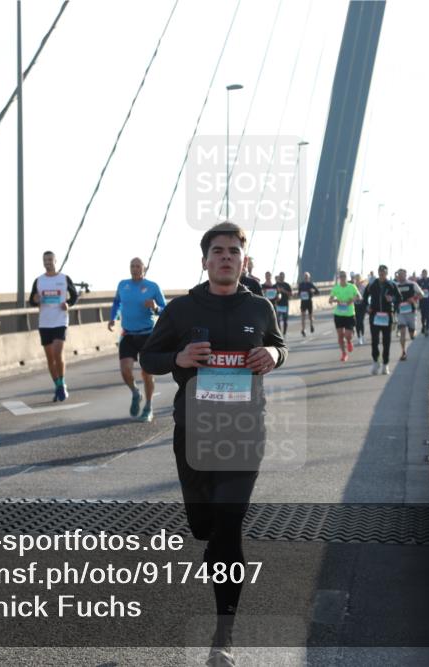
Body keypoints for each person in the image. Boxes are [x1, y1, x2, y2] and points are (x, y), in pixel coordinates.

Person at [140, 222, 286, 667]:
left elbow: (278, 345)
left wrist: (274, 355)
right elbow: (149, 356)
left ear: (244, 260)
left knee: (229, 525)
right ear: (204, 261)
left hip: (245, 432)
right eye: (218, 251)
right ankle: (213, 542)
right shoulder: (182, 309)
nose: (226, 257)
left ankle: (223, 636)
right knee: (205, 527)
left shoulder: (260, 307)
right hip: (194, 432)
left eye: (233, 251)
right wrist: (178, 357)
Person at [108, 257, 167, 422]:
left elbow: (166, 310)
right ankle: (135, 392)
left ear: (144, 268)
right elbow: (117, 303)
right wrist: (113, 318)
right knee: (125, 370)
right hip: (128, 334)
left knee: (147, 373)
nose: (134, 269)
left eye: (138, 266)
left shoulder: (153, 287)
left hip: (147, 334)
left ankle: (148, 407)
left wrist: (155, 307)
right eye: (132, 266)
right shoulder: (123, 285)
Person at [28, 251, 79, 402]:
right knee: (50, 358)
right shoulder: (39, 281)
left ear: (55, 261)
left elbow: (74, 296)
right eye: (45, 260)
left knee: (57, 353)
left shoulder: (64, 278)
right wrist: (35, 299)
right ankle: (57, 386)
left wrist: (68, 304)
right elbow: (31, 300)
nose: (48, 262)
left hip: (60, 321)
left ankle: (62, 384)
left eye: (50, 260)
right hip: (44, 323)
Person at [361, 264, 400, 375]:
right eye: (380, 273)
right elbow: (364, 297)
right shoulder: (372, 285)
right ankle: (375, 361)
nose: (382, 274)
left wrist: (392, 299)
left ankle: (385, 364)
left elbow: (399, 298)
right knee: (374, 341)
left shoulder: (392, 285)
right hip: (375, 316)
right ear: (378, 273)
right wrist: (367, 307)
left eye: (384, 273)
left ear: (387, 273)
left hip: (387, 316)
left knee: (386, 341)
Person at [329, 270, 359, 362]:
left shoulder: (352, 287)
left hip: (349, 314)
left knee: (348, 335)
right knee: (340, 335)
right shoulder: (336, 288)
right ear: (339, 278)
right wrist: (335, 300)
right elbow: (330, 300)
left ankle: (349, 341)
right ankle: (344, 353)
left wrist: (351, 300)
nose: (342, 278)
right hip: (338, 314)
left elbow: (359, 297)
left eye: (344, 276)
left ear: (346, 277)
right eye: (341, 276)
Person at [394, 268, 423, 361]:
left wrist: (414, 299)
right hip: (400, 312)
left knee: (412, 335)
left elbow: (421, 294)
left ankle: (413, 332)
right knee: (402, 331)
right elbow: (391, 296)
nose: (400, 276)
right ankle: (403, 352)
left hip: (411, 312)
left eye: (402, 274)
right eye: (399, 275)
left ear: (405, 275)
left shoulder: (412, 284)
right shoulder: (395, 285)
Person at [297, 272, 319, 336]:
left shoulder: (311, 284)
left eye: (307, 276)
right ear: (303, 277)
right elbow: (299, 292)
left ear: (309, 277)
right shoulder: (301, 284)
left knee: (310, 316)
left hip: (309, 302)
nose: (306, 277)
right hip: (303, 302)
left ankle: (311, 325)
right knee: (303, 316)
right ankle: (303, 329)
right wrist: (298, 294)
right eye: (305, 276)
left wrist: (313, 291)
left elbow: (317, 292)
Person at [416, 269, 429, 337]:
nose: (424, 274)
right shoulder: (419, 281)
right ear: (422, 274)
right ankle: (423, 326)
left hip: (428, 301)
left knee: (427, 316)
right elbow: (416, 291)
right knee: (423, 316)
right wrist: (418, 297)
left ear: (427, 274)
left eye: (425, 273)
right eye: (423, 273)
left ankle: (427, 329)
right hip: (422, 301)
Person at [273, 271, 293, 336]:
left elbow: (291, 294)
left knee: (285, 320)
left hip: (285, 304)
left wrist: (284, 291)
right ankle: (279, 332)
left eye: (283, 276)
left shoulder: (287, 285)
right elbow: (272, 293)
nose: (281, 277)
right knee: (277, 320)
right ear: (279, 276)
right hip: (278, 305)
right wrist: (276, 293)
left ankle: (284, 333)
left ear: (284, 277)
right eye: (280, 276)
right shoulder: (275, 285)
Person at [352, 273, 367, 345]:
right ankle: (359, 338)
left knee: (361, 321)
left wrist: (362, 298)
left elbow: (366, 296)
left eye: (358, 279)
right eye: (356, 279)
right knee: (357, 322)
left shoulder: (364, 287)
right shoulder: (352, 287)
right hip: (355, 306)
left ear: (360, 279)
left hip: (362, 306)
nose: (357, 280)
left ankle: (363, 335)